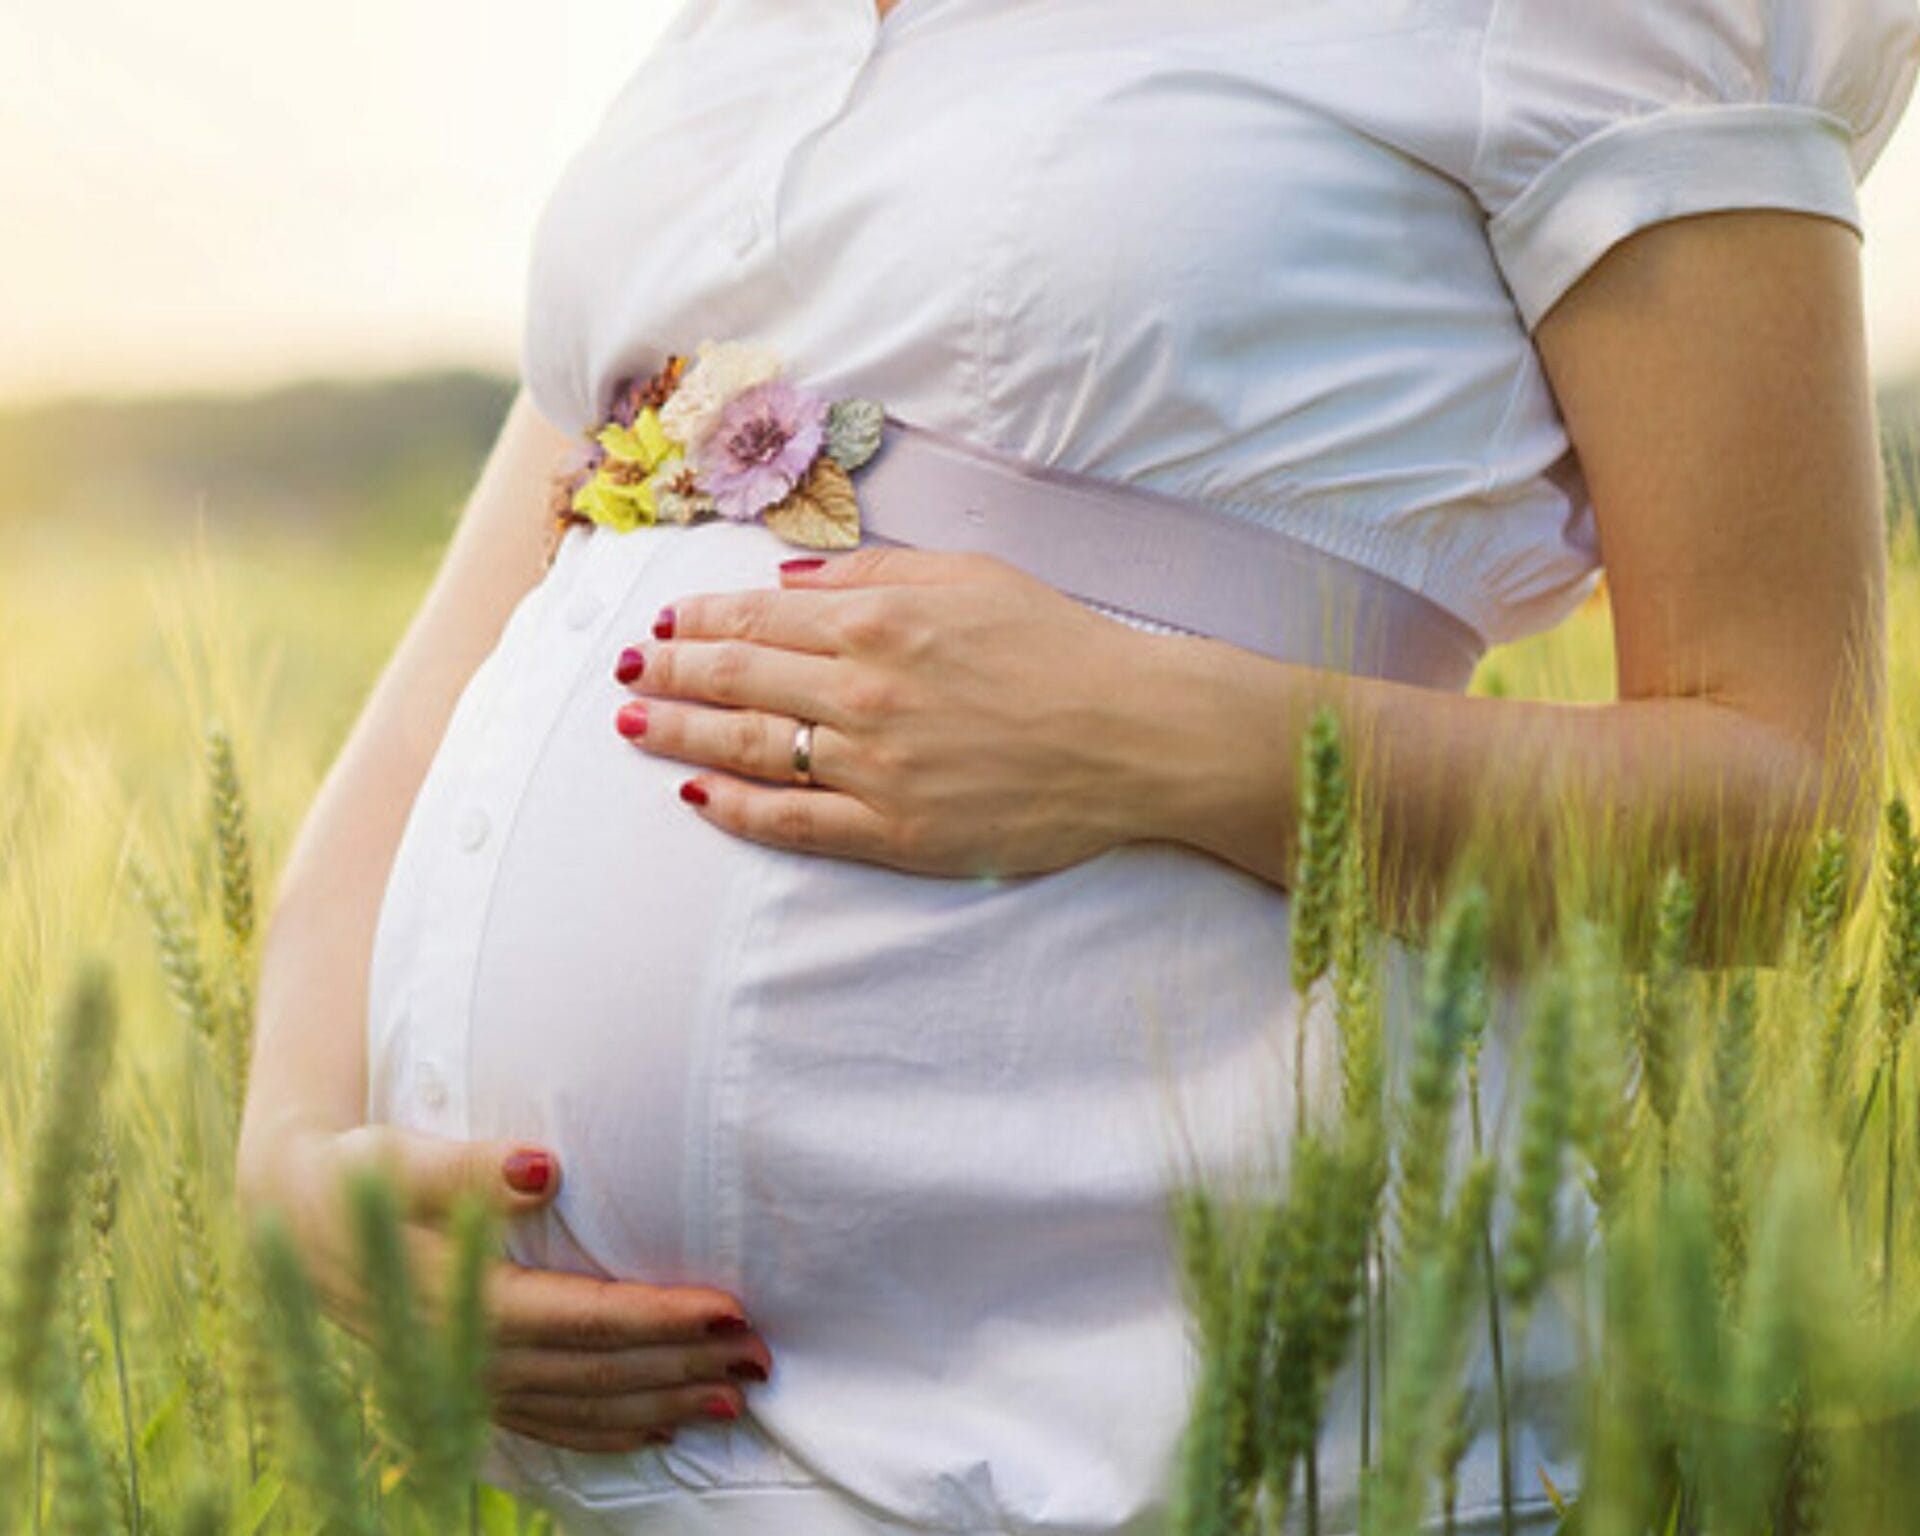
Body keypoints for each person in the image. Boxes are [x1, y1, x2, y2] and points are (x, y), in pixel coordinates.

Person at [235, 0, 1919, 1531]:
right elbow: (453, 678)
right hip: (621, 1477)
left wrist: (1139, 731)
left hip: (1182, 1438)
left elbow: (1789, 811)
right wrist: (293, 1156)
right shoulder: (735, 44)